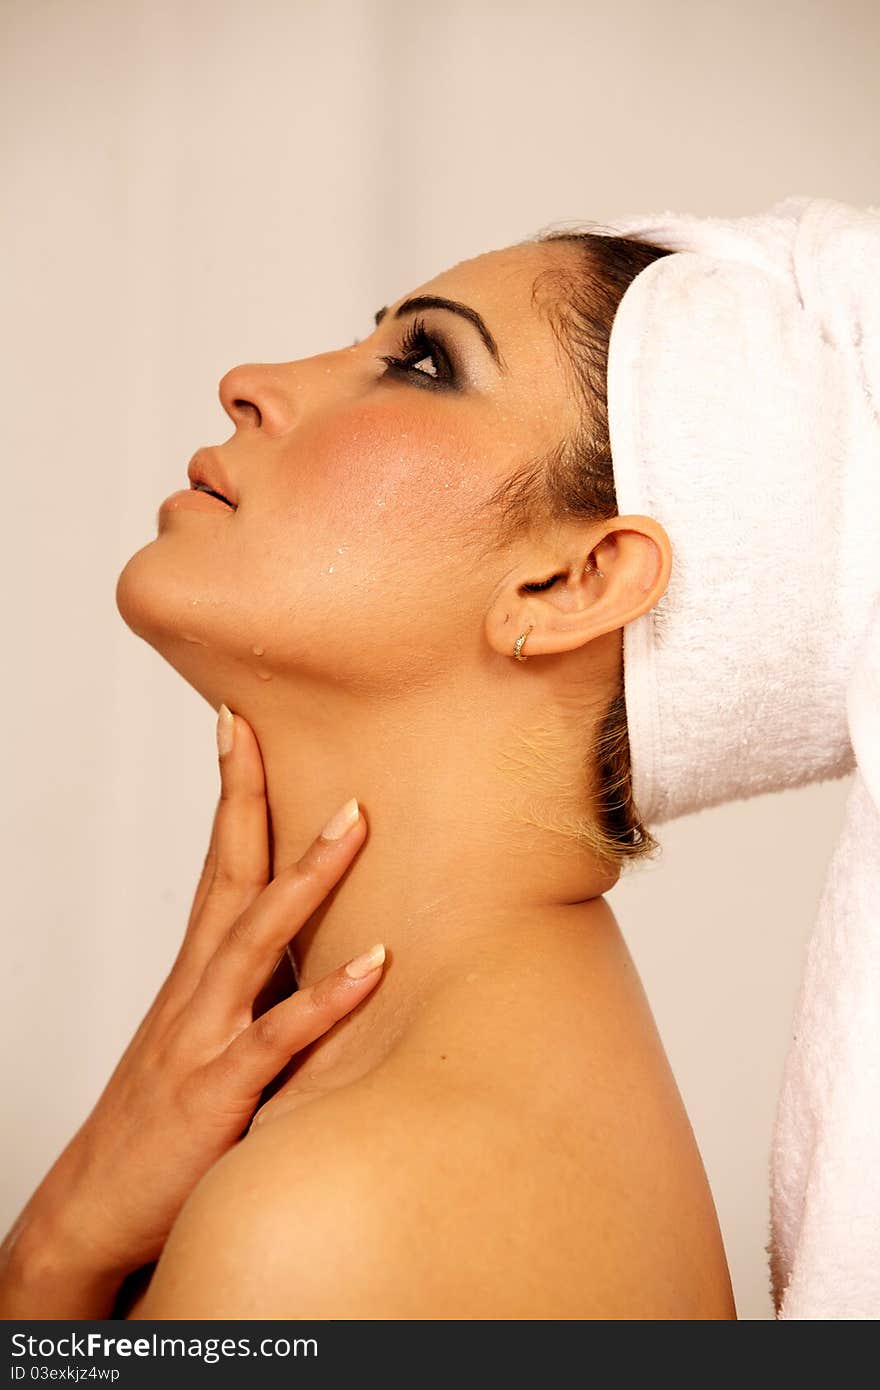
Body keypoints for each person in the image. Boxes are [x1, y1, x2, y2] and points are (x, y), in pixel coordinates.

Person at [0, 231, 736, 1320]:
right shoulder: (447, 1118)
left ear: (570, 583)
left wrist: (50, 1259)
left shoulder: (328, 1217)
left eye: (422, 360)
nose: (246, 384)